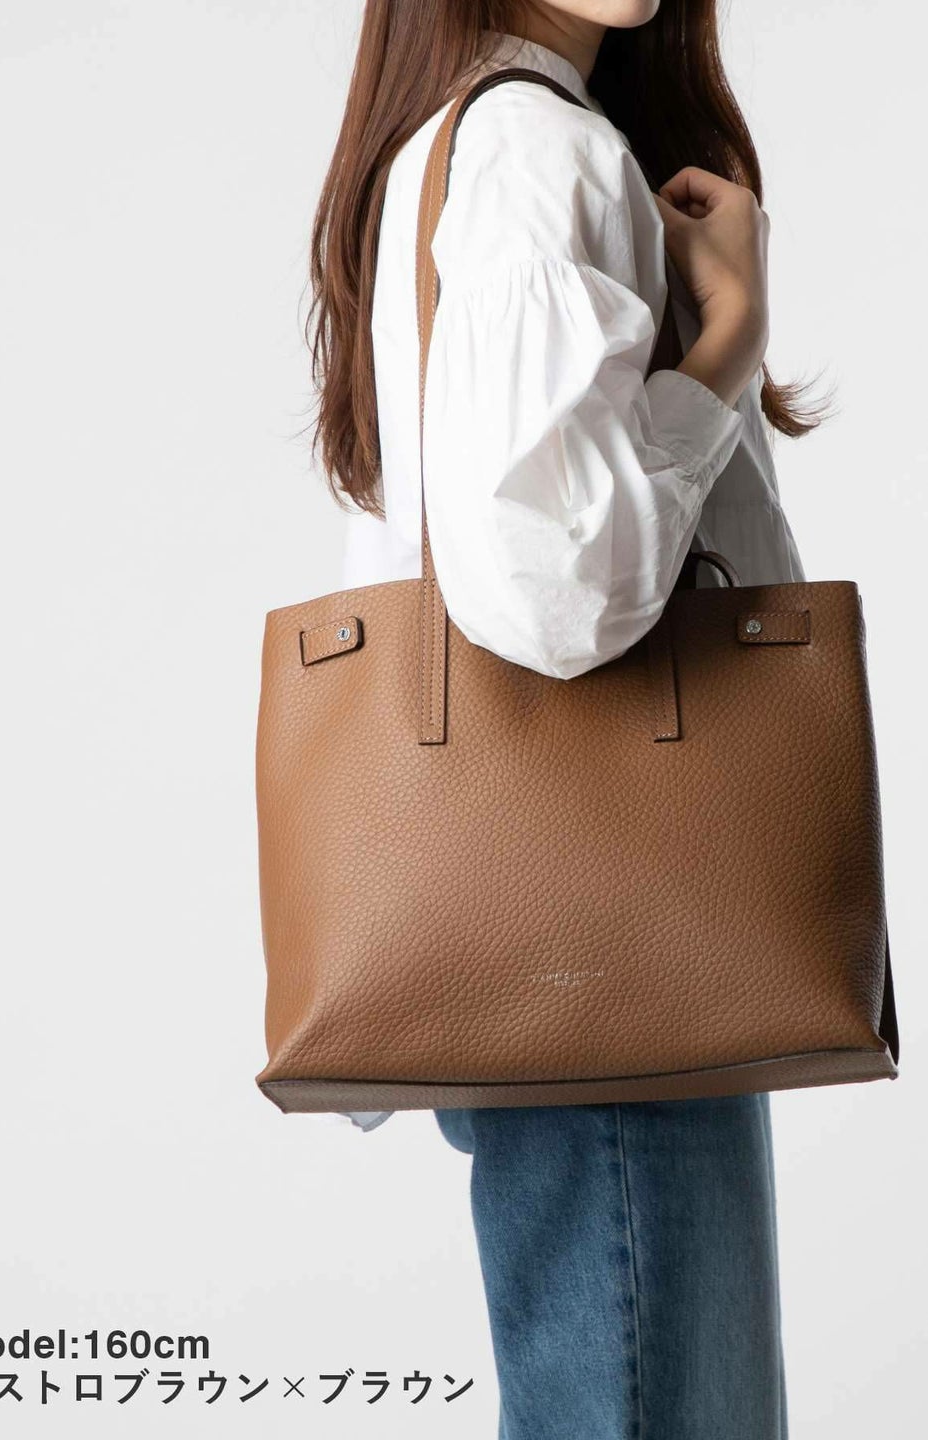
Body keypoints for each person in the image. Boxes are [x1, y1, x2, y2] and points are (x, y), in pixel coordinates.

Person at [307, 3, 826, 1435]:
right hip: (615, 940)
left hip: (560, 927)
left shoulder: (457, 144)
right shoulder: (538, 149)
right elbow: (558, 590)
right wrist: (726, 346)